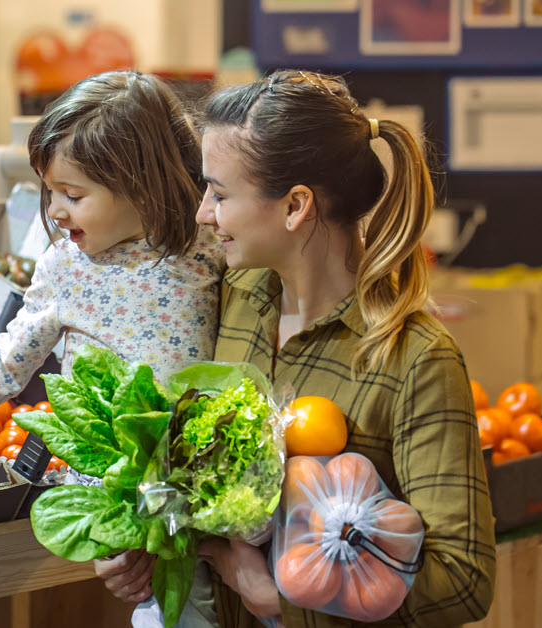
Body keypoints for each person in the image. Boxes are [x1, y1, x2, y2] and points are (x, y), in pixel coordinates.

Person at [0, 70, 226, 627]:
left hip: (201, 479)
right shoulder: (67, 268)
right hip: (117, 490)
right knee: (169, 608)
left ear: (144, 185)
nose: (54, 209)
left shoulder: (206, 247)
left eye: (73, 195)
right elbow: (8, 358)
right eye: (49, 191)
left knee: (202, 602)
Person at [189, 70, 495, 626]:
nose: (203, 213)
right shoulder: (231, 301)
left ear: (295, 205)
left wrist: (277, 594)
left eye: (221, 193)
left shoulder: (414, 358)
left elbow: (462, 581)